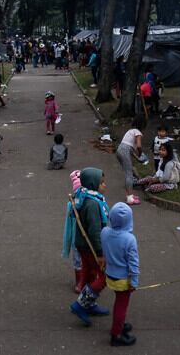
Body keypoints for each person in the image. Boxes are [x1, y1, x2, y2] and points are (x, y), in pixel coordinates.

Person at [64, 167, 111, 326]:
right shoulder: (92, 204)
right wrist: (100, 253)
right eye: (102, 183)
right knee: (103, 277)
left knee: (91, 275)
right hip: (90, 246)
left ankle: (89, 304)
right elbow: (94, 231)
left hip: (83, 245)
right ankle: (81, 305)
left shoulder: (82, 196)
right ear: (93, 183)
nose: (105, 185)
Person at [101, 202, 139, 346]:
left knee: (119, 303)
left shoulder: (104, 232)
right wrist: (134, 282)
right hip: (123, 280)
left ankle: (120, 325)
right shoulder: (130, 239)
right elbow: (133, 263)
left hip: (110, 275)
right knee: (121, 307)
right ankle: (116, 335)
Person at [117, 117, 147, 205]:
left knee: (128, 172)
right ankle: (130, 198)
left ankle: (129, 195)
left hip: (120, 150)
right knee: (129, 174)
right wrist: (140, 154)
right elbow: (138, 146)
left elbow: (130, 148)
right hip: (125, 151)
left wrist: (137, 158)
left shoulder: (130, 131)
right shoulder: (138, 133)